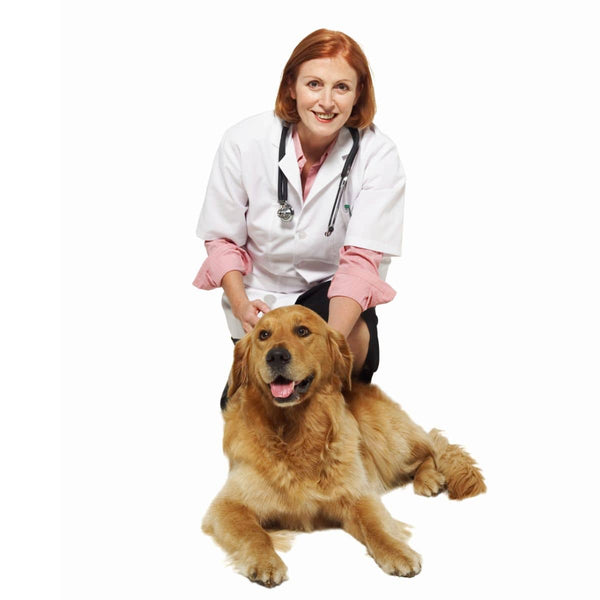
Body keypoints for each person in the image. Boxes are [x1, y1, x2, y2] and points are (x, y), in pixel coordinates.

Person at [193, 29, 406, 409]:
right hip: (261, 295)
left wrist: (325, 351)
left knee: (349, 346)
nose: (326, 101)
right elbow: (222, 240)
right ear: (291, 86)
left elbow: (359, 264)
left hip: (331, 293)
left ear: (359, 93)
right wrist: (242, 305)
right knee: (241, 412)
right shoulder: (244, 141)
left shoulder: (378, 154)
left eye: (341, 87)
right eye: (314, 84)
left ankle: (336, 405)